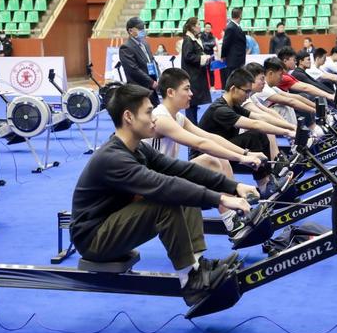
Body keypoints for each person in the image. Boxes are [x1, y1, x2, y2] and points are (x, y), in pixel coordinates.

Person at [70, 83, 253, 306]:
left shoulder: (137, 148)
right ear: (129, 117)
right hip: (93, 239)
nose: (153, 117)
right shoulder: (113, 158)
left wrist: (233, 186)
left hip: (108, 225)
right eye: (148, 112)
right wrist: (221, 199)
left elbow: (181, 170)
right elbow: (162, 185)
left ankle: (196, 265)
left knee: (184, 186)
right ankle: (191, 282)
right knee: (166, 201)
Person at [145, 68, 265, 235]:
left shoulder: (178, 117)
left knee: (219, 159)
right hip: (154, 182)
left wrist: (246, 154)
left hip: (168, 174)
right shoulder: (161, 118)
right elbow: (200, 143)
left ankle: (237, 209)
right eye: (186, 89)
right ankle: (232, 221)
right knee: (211, 161)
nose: (191, 94)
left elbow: (210, 137)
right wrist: (241, 158)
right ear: (171, 92)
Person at [198, 69, 296, 197]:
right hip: (207, 159)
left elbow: (259, 118)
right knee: (254, 136)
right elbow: (255, 124)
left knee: (260, 134)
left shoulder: (232, 105)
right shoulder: (220, 110)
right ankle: (264, 186)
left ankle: (269, 177)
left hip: (223, 150)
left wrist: (291, 127)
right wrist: (287, 132)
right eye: (247, 91)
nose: (248, 96)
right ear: (234, 89)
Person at [119, 17, 160, 106]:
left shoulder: (145, 44)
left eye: (143, 28)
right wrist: (151, 82)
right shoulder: (126, 48)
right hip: (139, 89)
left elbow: (152, 61)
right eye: (140, 29)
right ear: (130, 31)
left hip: (152, 87)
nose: (143, 31)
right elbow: (133, 70)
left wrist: (158, 76)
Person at [180, 17, 212, 125]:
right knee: (191, 102)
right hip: (192, 76)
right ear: (193, 27)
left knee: (194, 103)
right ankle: (191, 125)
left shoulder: (194, 39)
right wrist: (202, 58)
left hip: (196, 75)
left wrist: (205, 57)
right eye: (198, 24)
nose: (200, 26)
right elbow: (188, 56)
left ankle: (194, 124)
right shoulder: (188, 40)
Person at [220, 8, 247, 85]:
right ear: (240, 15)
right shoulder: (231, 27)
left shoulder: (236, 26)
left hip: (238, 58)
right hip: (234, 59)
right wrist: (223, 55)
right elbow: (226, 43)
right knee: (233, 79)